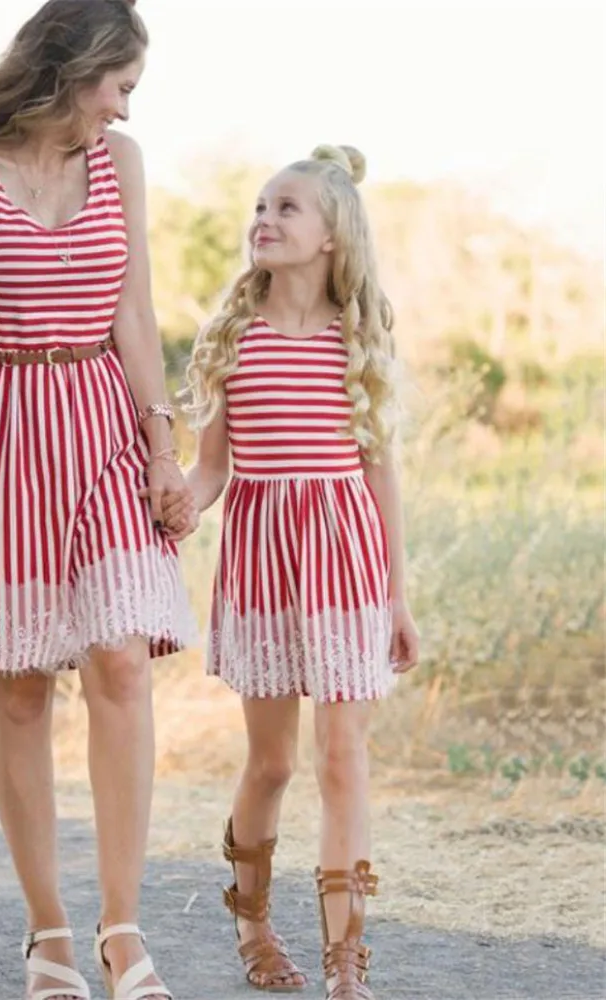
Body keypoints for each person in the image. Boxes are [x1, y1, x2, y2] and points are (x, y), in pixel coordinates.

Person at [0, 2, 197, 997]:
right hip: (0, 425)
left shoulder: (119, 168)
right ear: (73, 68)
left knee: (121, 661)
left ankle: (122, 925)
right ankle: (48, 932)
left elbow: (135, 311)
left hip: (102, 419)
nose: (127, 113)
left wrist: (161, 442)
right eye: (120, 88)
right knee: (17, 684)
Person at [168, 145, 420, 999]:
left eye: (287, 209)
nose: (264, 221)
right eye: (261, 207)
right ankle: (254, 924)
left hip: (344, 556)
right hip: (263, 560)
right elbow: (211, 468)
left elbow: (380, 468)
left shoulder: (362, 333)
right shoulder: (231, 334)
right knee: (272, 763)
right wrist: (179, 505)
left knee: (342, 756)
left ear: (331, 239)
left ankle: (347, 956)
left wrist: (396, 595)